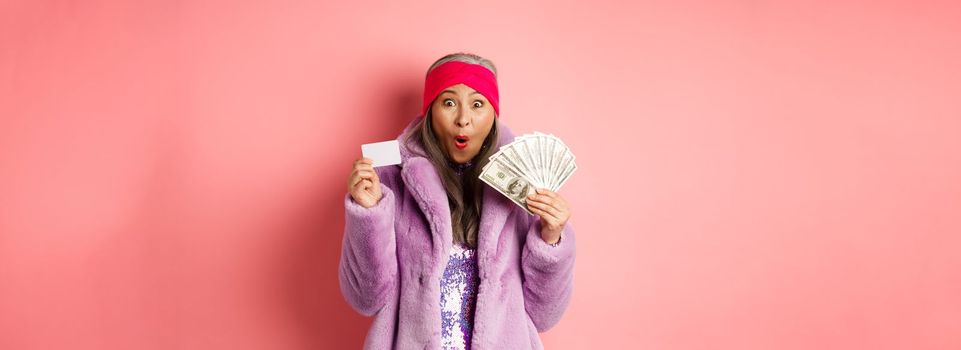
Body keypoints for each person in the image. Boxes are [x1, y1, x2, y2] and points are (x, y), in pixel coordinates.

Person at [340, 52, 576, 349]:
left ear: (493, 114)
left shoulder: (525, 188)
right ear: (430, 112)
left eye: (477, 104)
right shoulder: (391, 181)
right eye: (449, 102)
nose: (463, 119)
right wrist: (369, 213)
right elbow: (366, 299)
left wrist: (550, 238)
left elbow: (544, 315)